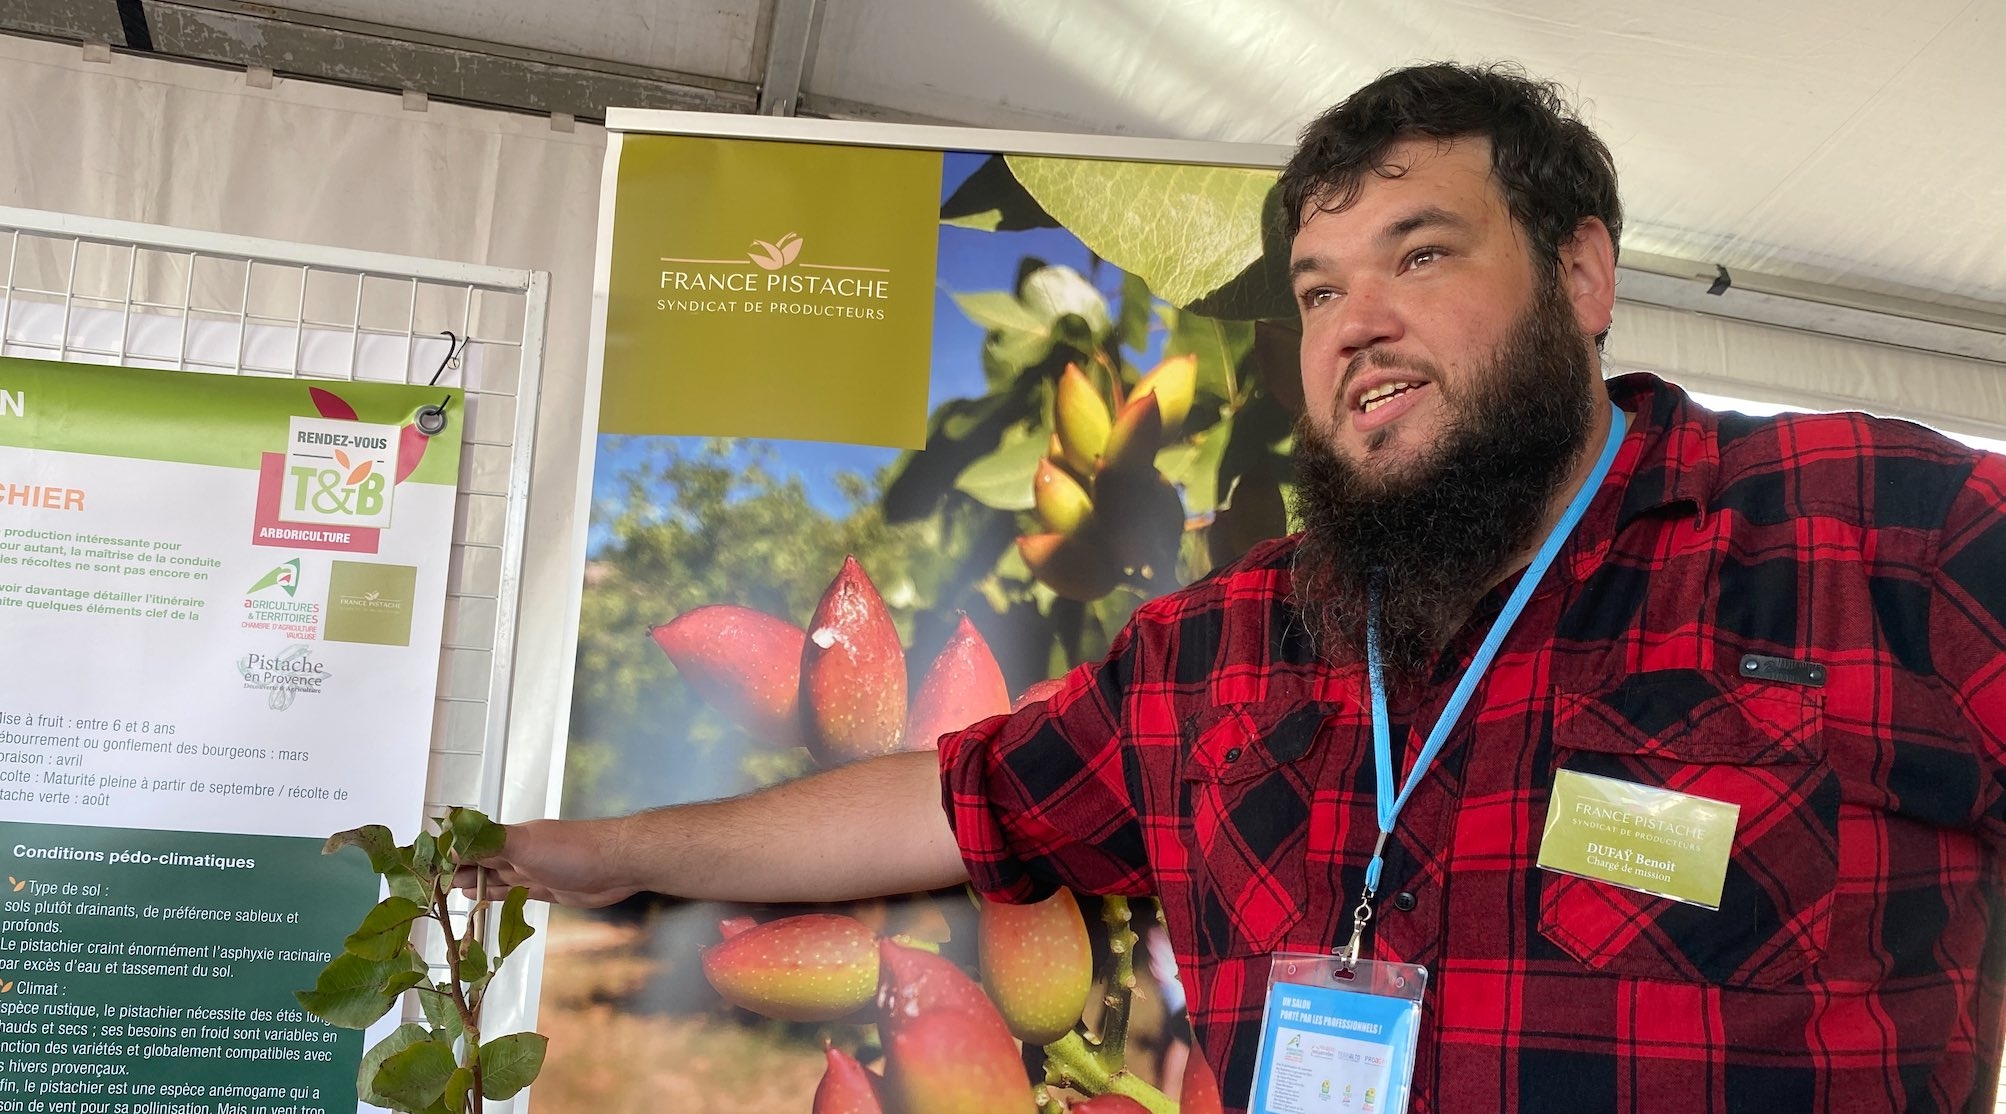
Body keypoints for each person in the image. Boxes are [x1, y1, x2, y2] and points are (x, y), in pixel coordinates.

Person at [467, 62, 2006, 1112]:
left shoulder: (1874, 526)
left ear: (1582, 275)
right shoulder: (1226, 646)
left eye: (1420, 255)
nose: (1356, 322)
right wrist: (604, 851)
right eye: (1321, 287)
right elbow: (943, 803)